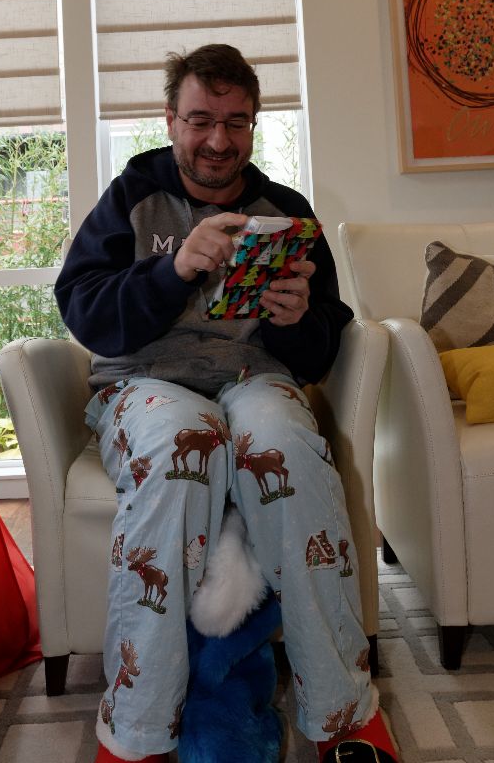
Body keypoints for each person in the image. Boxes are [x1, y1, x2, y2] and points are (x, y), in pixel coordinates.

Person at [55, 44, 397, 763]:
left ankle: (343, 715)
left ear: (253, 125)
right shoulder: (130, 199)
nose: (218, 140)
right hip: (145, 383)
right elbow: (84, 311)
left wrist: (296, 319)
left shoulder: (286, 211)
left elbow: (320, 347)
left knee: (288, 450)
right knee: (183, 448)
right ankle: (137, 733)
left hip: (254, 378)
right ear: (170, 120)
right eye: (201, 120)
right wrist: (172, 270)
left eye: (236, 123)